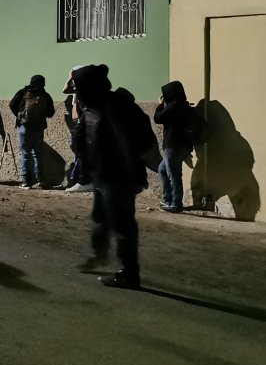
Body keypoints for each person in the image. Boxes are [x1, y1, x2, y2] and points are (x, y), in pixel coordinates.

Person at [71, 64, 156, 289]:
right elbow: (87, 138)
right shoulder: (92, 105)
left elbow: (143, 139)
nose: (77, 93)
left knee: (123, 225)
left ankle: (130, 274)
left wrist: (136, 169)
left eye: (79, 88)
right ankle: (99, 254)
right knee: (101, 217)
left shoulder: (119, 106)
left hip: (121, 178)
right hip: (103, 176)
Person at [9, 74, 55, 189]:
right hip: (38, 128)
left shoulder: (23, 92)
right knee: (38, 155)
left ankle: (26, 182)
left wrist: (20, 116)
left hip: (24, 127)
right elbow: (51, 113)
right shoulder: (45, 95)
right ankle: (41, 181)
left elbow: (11, 104)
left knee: (25, 154)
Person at [154, 80, 193, 213]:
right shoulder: (184, 106)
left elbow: (158, 118)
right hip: (183, 146)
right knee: (163, 169)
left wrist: (160, 105)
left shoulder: (173, 106)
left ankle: (176, 203)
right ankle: (167, 199)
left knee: (174, 174)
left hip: (173, 145)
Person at [62, 66, 94, 192]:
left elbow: (65, 89)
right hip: (87, 121)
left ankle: (85, 181)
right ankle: (86, 180)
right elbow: (66, 90)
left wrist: (71, 77)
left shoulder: (86, 87)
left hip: (88, 121)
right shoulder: (89, 86)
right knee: (80, 149)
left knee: (79, 147)